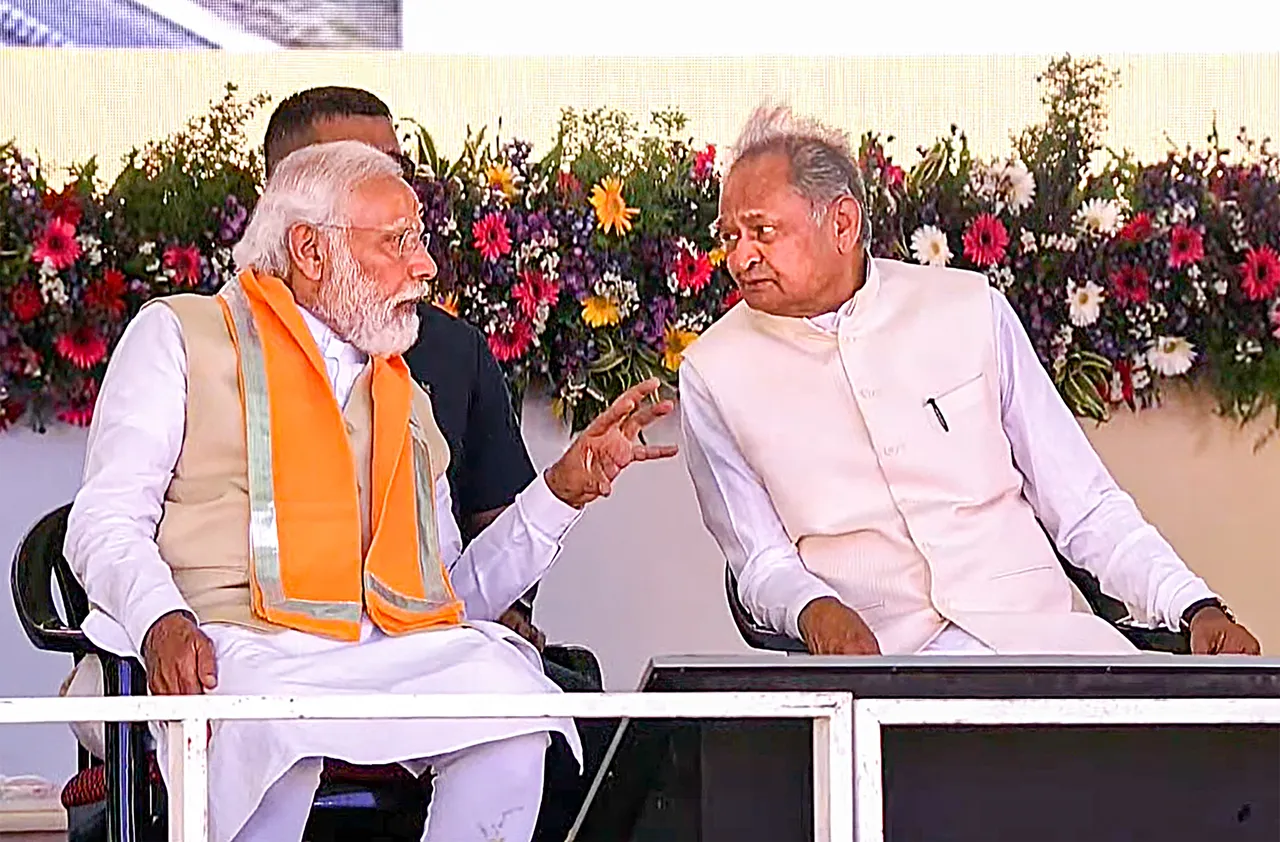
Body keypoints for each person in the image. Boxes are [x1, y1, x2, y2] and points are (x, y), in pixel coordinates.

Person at [64, 139, 676, 842]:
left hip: (375, 653)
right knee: (273, 729)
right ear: (311, 251)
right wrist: (159, 619)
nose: (425, 266)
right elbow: (104, 522)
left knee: (510, 704)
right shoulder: (180, 335)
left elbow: (446, 596)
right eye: (398, 241)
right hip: (232, 643)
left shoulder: (401, 394)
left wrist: (560, 493)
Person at [680, 105, 1260, 658]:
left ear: (842, 223)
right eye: (730, 236)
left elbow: (1083, 504)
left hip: (1049, 651)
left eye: (762, 231)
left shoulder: (968, 308)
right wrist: (813, 609)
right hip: (886, 678)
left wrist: (1192, 605)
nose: (741, 256)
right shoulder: (714, 371)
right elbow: (760, 560)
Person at [260, 86, 605, 839]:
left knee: (548, 714)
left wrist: (564, 492)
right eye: (364, 169)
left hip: (411, 660)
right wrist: (161, 623)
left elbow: (458, 585)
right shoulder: (204, 344)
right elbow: (121, 529)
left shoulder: (419, 367)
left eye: (398, 169)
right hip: (258, 661)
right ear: (298, 213)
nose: (397, 194)